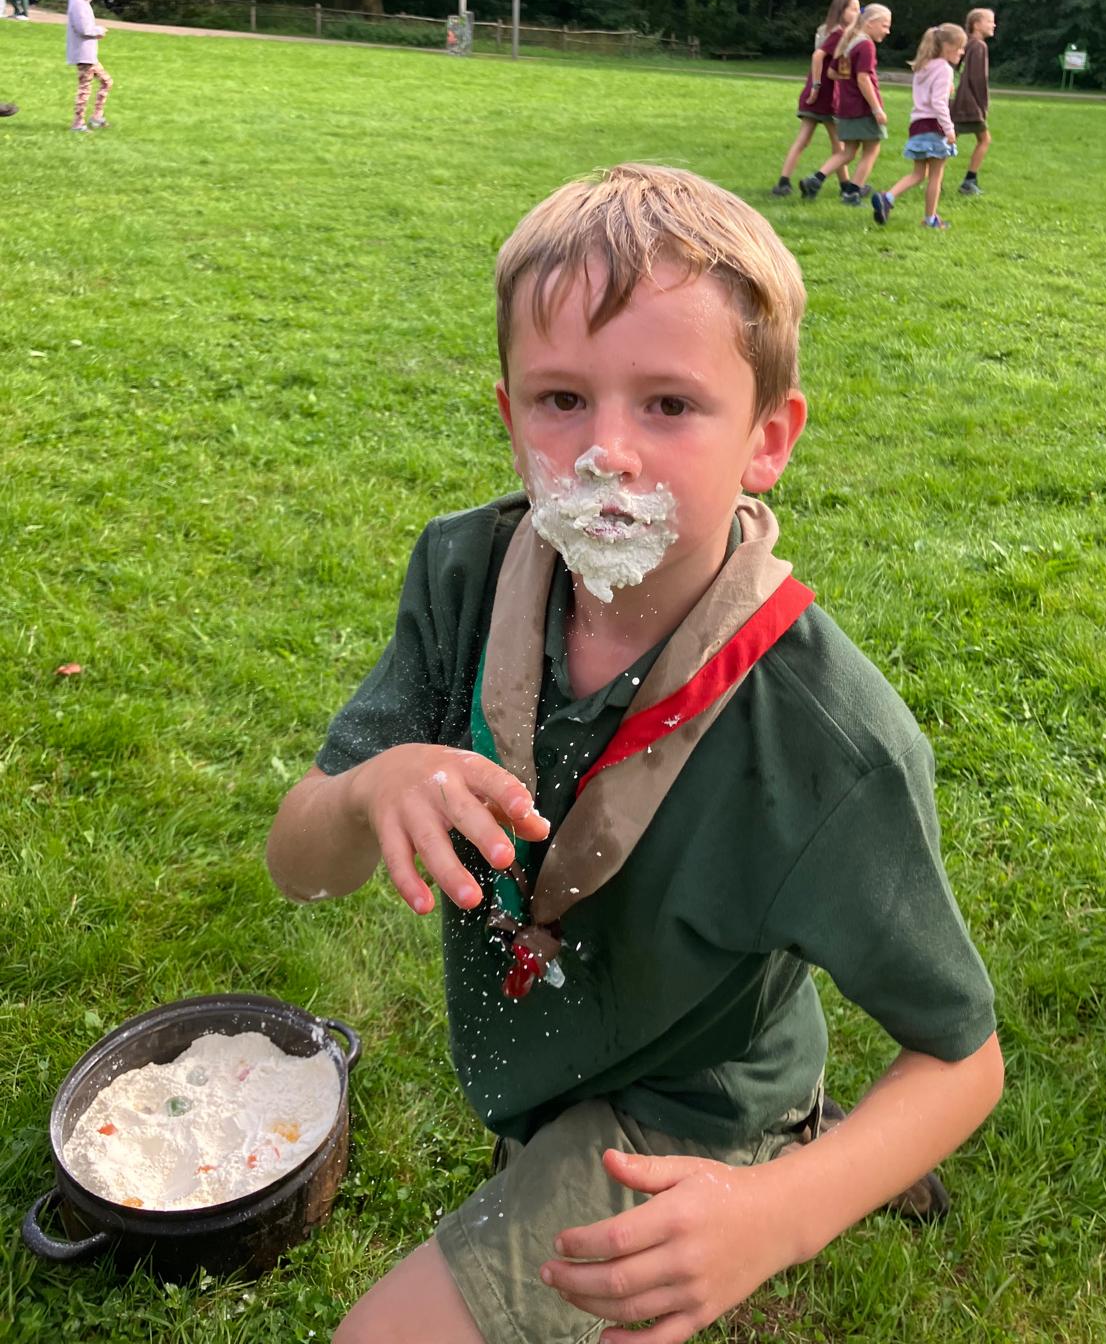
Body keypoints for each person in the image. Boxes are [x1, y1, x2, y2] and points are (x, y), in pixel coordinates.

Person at [267, 163, 1003, 1344]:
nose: (605, 451)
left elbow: (964, 1057)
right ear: (508, 414)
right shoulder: (462, 579)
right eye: (562, 398)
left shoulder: (829, 740)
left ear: (768, 439)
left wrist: (782, 1215)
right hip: (556, 1050)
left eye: (668, 404)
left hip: (691, 1102)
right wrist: (367, 792)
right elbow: (295, 862)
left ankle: (785, 1129)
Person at [871, 23, 967, 232]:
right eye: (960, 47)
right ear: (947, 46)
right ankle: (930, 219)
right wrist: (949, 129)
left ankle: (887, 198)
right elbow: (938, 103)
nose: (962, 52)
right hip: (935, 126)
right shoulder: (944, 69)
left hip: (917, 125)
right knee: (935, 176)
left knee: (918, 174)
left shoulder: (923, 66)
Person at [799, 4, 892, 206]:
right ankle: (852, 194)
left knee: (848, 151)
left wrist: (849, 81)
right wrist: (877, 109)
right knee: (872, 149)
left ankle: (815, 180)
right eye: (884, 25)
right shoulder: (866, 45)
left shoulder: (849, 41)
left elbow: (832, 72)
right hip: (863, 108)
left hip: (845, 106)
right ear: (870, 23)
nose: (888, 31)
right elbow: (863, 79)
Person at [770, 0, 858, 198]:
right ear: (841, 11)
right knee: (839, 145)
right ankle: (844, 186)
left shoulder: (828, 31)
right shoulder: (838, 34)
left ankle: (784, 182)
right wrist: (817, 86)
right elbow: (818, 56)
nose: (857, 13)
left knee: (806, 140)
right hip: (825, 96)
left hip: (817, 95)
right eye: (853, 9)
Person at [951, 7, 996, 195]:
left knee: (948, 140)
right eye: (989, 21)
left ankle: (932, 177)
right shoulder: (979, 46)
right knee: (984, 139)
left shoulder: (966, 43)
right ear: (976, 25)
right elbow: (978, 78)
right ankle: (969, 181)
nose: (994, 25)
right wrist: (983, 104)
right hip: (970, 103)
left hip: (958, 101)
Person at [65, 0, 113, 132]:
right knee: (85, 89)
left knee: (106, 82)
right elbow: (83, 29)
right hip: (83, 55)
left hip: (89, 55)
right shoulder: (77, 4)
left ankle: (96, 117)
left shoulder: (82, 2)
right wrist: (99, 31)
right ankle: (78, 123)